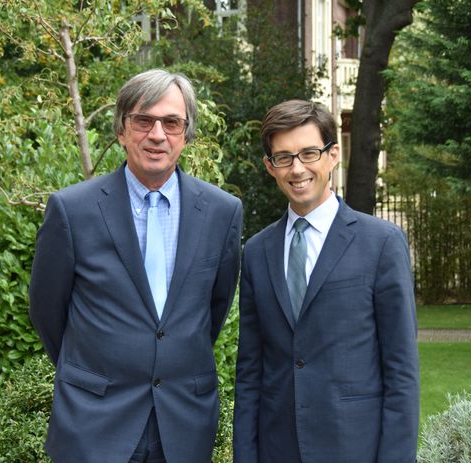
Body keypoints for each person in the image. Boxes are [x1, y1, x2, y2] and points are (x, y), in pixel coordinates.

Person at [29, 69, 243, 463]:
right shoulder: (72, 210)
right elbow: (47, 311)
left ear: (186, 134)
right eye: (143, 120)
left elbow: (213, 309)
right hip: (94, 423)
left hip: (182, 424)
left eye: (171, 122)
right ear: (122, 130)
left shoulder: (222, 212)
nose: (157, 134)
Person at [233, 99, 419, 463]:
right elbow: (250, 373)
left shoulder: (381, 244)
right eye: (284, 157)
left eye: (309, 153)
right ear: (270, 167)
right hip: (277, 450)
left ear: (333, 155)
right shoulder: (257, 252)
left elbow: (401, 373)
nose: (297, 168)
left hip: (355, 448)